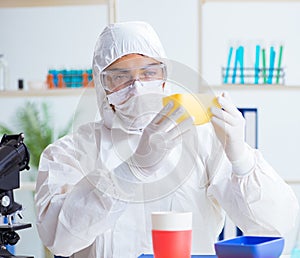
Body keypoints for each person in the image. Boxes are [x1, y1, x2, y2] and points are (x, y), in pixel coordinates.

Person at [35, 21, 299, 258]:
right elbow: (59, 239)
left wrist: (242, 160)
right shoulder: (69, 152)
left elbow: (276, 229)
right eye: (120, 77)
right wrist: (129, 171)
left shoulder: (204, 141)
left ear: (164, 76)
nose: (137, 86)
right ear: (102, 84)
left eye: (148, 72)